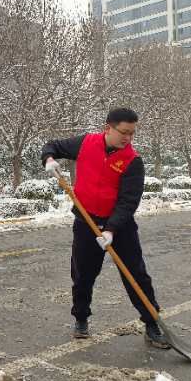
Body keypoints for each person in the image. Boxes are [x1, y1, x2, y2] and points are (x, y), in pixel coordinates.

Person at [41, 108, 170, 349]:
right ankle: (81, 319)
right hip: (86, 223)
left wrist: (111, 229)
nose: (128, 138)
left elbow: (128, 201)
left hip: (120, 228)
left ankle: (152, 324)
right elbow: (52, 145)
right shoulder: (85, 144)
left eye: (132, 133)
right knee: (82, 275)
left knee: (135, 275)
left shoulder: (133, 161)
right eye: (124, 132)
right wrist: (49, 158)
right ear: (108, 128)